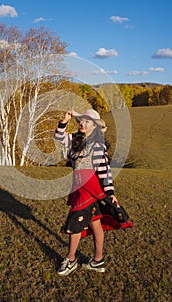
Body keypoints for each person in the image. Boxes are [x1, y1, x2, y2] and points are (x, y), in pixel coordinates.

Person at [54, 108, 133, 276]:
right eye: (81, 120)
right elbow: (59, 137)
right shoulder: (76, 139)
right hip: (78, 186)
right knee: (95, 222)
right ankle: (98, 261)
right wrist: (65, 121)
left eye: (87, 121)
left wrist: (109, 191)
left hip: (90, 189)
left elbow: (104, 170)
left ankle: (71, 259)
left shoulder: (98, 146)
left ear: (95, 126)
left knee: (75, 224)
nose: (82, 123)